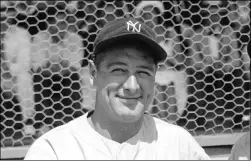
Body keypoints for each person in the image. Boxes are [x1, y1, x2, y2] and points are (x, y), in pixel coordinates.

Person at [24, 17, 210, 160]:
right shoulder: (54, 151)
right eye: (118, 70)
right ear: (93, 74)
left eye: (143, 72)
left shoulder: (179, 145)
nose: (132, 86)